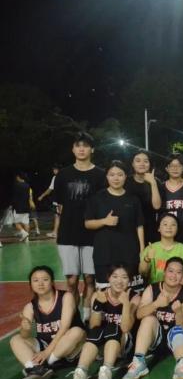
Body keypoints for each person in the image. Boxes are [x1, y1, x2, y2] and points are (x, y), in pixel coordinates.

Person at [54, 132, 106, 321]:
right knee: (71, 280)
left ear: (92, 149)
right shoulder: (63, 175)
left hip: (92, 234)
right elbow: (59, 206)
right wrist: (56, 230)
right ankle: (72, 319)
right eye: (78, 145)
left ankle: (87, 318)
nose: (81, 149)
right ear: (73, 149)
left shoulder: (101, 175)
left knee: (90, 279)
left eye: (85, 146)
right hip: (68, 234)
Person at [66, 265, 141, 379]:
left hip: (122, 344)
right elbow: (94, 325)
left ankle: (106, 372)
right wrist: (98, 304)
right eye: (115, 276)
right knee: (96, 331)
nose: (119, 281)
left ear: (129, 280)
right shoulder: (98, 294)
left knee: (112, 327)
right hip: (99, 343)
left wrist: (126, 304)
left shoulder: (134, 298)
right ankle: (80, 374)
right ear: (108, 278)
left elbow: (125, 328)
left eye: (124, 277)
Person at [122, 257, 183, 379]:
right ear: (164, 272)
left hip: (176, 342)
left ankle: (181, 366)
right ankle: (138, 362)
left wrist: (179, 311)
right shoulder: (152, 289)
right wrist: (157, 303)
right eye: (171, 271)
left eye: (178, 272)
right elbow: (139, 314)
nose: (174, 275)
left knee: (179, 329)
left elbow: (182, 325)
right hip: (156, 339)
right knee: (148, 319)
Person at [10, 266, 85, 379]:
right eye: (35, 280)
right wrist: (25, 328)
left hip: (67, 346)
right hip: (45, 344)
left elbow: (65, 327)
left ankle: (44, 365)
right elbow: (25, 336)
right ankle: (36, 368)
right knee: (15, 339)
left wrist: (46, 352)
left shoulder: (66, 297)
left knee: (76, 332)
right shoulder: (30, 307)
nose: (40, 283)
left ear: (52, 282)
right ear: (31, 284)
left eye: (45, 279)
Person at [84, 160, 145, 293]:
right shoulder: (97, 198)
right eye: (112, 175)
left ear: (125, 176)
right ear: (107, 176)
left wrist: (141, 251)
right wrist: (104, 221)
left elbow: (139, 226)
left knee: (131, 294)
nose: (116, 178)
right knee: (104, 295)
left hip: (129, 254)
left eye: (120, 174)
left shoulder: (133, 199)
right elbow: (88, 223)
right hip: (104, 254)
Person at [140, 213, 183, 284]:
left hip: (177, 288)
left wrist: (174, 290)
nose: (169, 227)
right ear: (158, 228)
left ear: (177, 229)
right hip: (155, 288)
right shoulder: (151, 248)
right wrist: (147, 259)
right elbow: (142, 273)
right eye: (165, 224)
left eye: (173, 225)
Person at [125, 150, 162, 245]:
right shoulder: (125, 182)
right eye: (138, 161)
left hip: (150, 229)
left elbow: (157, 206)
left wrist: (153, 183)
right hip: (129, 228)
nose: (142, 164)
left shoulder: (156, 182)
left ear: (150, 164)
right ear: (132, 164)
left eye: (146, 161)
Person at [38, 165, 61, 239]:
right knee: (59, 216)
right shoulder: (64, 177)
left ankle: (55, 233)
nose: (54, 171)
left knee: (58, 216)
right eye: (53, 169)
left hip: (59, 200)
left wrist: (42, 196)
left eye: (55, 169)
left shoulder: (57, 177)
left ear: (59, 170)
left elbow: (50, 189)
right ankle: (56, 232)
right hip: (62, 200)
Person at [11, 171, 35, 242]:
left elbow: (15, 197)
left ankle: (24, 233)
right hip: (26, 206)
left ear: (19, 177)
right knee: (26, 223)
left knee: (16, 223)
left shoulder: (16, 185)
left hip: (18, 207)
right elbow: (29, 196)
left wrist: (13, 205)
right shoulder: (27, 185)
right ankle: (26, 239)